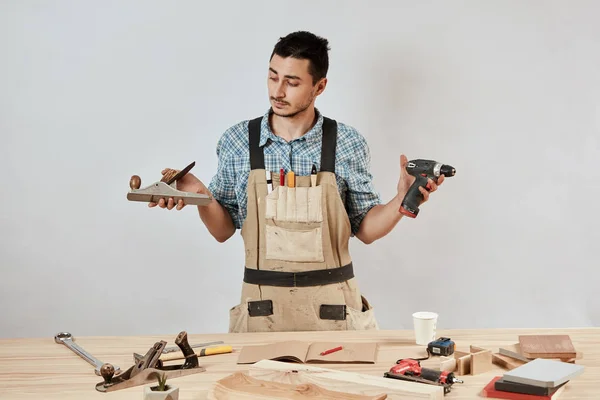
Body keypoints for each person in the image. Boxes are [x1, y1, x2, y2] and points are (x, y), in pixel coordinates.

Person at [149, 31, 445, 332]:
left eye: (292, 82)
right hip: (260, 313)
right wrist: (201, 195)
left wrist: (400, 200)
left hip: (336, 314)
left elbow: (365, 230)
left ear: (320, 86)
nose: (278, 91)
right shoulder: (238, 141)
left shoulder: (347, 142)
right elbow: (223, 230)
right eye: (272, 77)